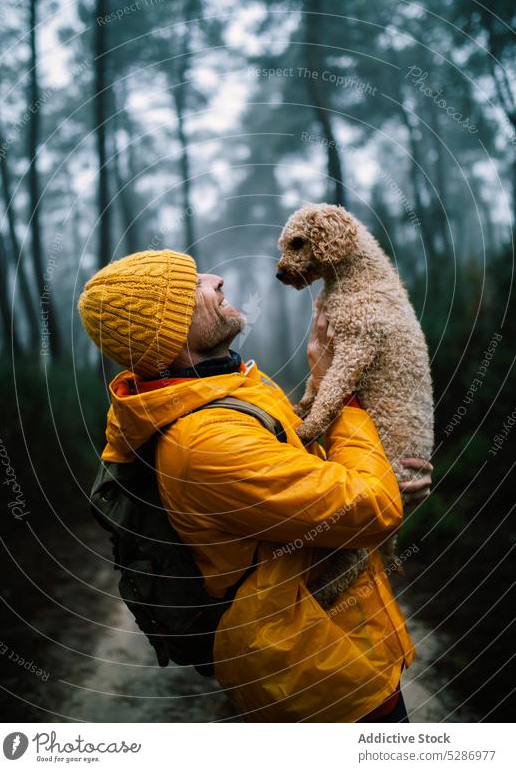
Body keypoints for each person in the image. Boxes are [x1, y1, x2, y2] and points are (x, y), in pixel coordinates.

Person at [78, 249, 433, 723]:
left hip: (344, 645)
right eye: (192, 287)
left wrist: (382, 474)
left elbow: (314, 480)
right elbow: (368, 508)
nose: (218, 278)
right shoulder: (207, 441)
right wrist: (341, 395)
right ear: (167, 333)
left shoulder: (229, 390)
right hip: (319, 682)